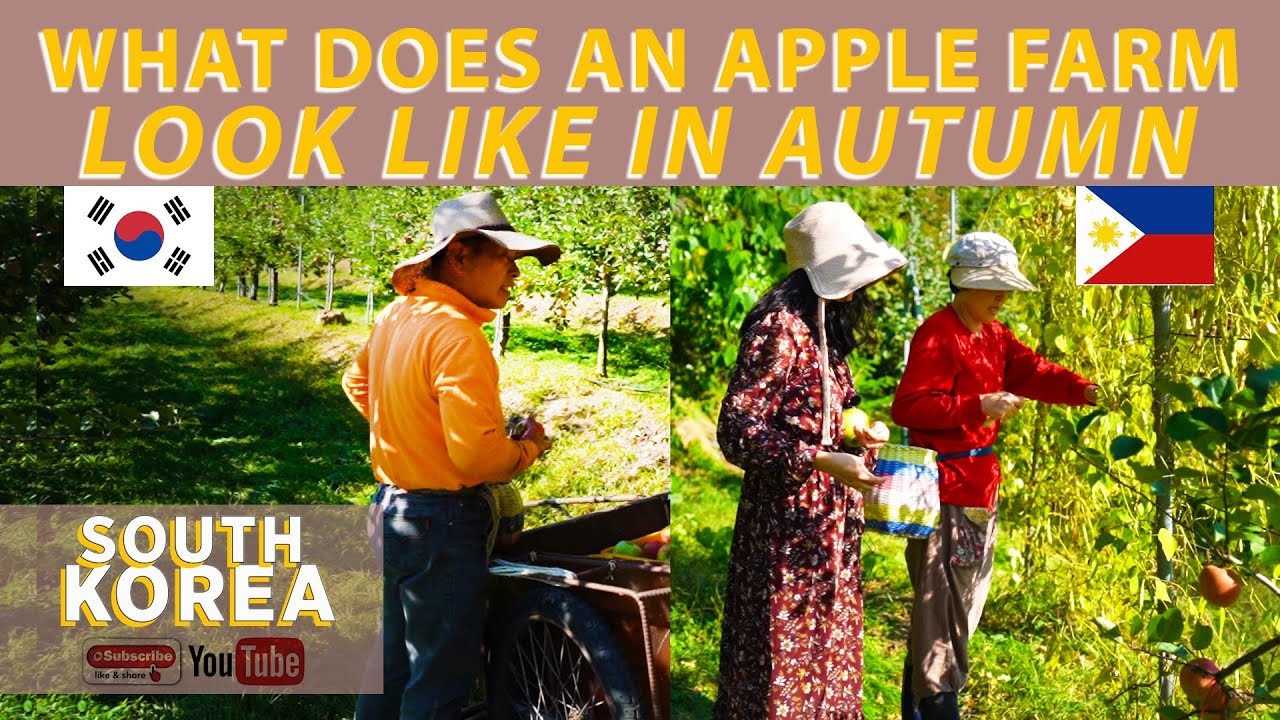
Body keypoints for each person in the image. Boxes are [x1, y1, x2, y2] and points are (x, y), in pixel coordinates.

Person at [342, 190, 557, 720]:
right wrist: (530, 446)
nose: (515, 274)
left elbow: (355, 380)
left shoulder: (398, 315)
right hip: (440, 521)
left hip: (390, 509)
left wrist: (410, 428)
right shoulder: (458, 336)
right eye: (505, 259)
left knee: (392, 664)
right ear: (460, 255)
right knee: (439, 680)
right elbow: (478, 461)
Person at [891, 232, 1101, 720]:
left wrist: (1084, 390)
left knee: (953, 609)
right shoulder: (939, 333)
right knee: (940, 611)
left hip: (979, 487)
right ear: (965, 283)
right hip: (944, 488)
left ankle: (920, 707)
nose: (1003, 296)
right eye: (994, 286)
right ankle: (939, 706)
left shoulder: (992, 334)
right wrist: (978, 405)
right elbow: (910, 405)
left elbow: (1032, 370)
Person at [713, 201, 907, 719]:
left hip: (830, 519)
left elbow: (832, 405)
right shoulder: (781, 328)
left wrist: (861, 423)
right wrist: (819, 459)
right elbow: (737, 431)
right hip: (786, 519)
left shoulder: (822, 327)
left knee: (827, 635)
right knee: (785, 641)